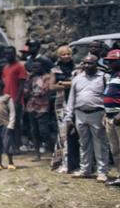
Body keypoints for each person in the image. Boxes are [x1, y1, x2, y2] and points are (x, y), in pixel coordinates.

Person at [65, 53, 108, 181]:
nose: (87, 65)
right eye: (85, 63)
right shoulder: (77, 78)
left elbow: (108, 97)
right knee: (83, 143)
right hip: (80, 114)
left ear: (97, 64)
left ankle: (102, 171)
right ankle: (85, 169)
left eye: (90, 63)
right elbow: (71, 98)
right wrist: (69, 117)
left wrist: (107, 113)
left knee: (100, 143)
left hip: (97, 113)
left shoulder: (104, 77)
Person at [49, 45, 79, 173]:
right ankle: (63, 162)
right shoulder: (55, 70)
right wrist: (67, 85)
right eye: (63, 54)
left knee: (76, 132)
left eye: (68, 54)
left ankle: (76, 162)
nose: (66, 56)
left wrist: (64, 84)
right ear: (59, 56)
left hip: (76, 102)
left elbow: (78, 83)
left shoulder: (77, 69)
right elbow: (51, 86)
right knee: (63, 133)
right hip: (61, 103)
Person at [23, 57, 56, 162]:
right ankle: (37, 154)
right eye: (33, 67)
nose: (35, 69)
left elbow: (44, 91)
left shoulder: (47, 77)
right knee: (34, 131)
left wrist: (31, 93)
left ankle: (53, 152)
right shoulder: (30, 78)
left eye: (37, 67)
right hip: (31, 106)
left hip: (43, 107)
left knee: (44, 131)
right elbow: (26, 91)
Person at [0, 46, 27, 152]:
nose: (7, 56)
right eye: (5, 54)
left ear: (14, 54)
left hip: (16, 100)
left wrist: (16, 100)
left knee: (15, 125)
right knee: (7, 124)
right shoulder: (5, 68)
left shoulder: (19, 67)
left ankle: (17, 146)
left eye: (9, 53)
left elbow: (21, 85)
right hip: (6, 99)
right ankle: (9, 146)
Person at [103, 49, 120, 187]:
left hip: (118, 116)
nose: (109, 63)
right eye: (108, 61)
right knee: (115, 149)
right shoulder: (112, 75)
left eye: (112, 61)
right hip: (110, 116)